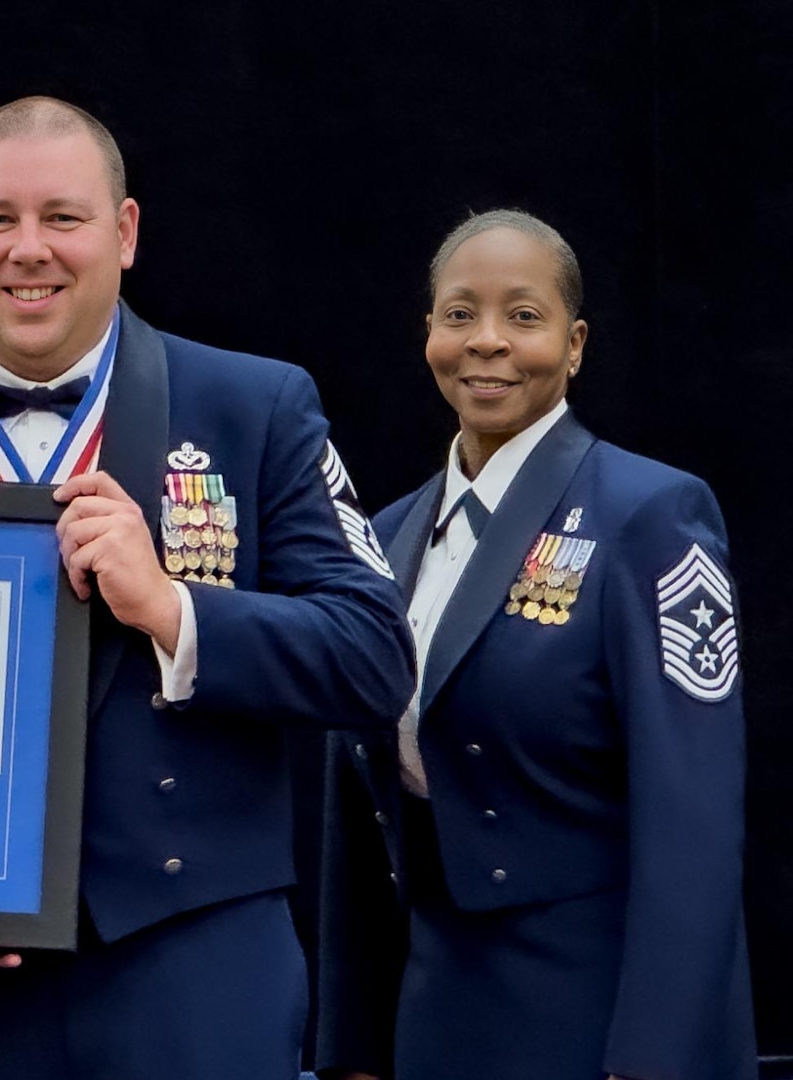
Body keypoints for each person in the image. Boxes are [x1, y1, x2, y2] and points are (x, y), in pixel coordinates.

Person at [0, 95, 415, 1080]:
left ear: (124, 233)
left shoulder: (255, 407)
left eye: (64, 218)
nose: (28, 249)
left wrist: (173, 608)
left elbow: (373, 655)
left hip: (194, 970)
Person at [313, 210, 756, 1080]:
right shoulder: (382, 536)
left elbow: (692, 818)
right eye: (459, 314)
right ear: (428, 334)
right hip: (434, 1013)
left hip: (593, 1015)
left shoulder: (651, 515)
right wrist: (353, 1047)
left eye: (523, 315)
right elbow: (358, 818)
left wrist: (656, 1056)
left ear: (576, 343)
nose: (487, 343)